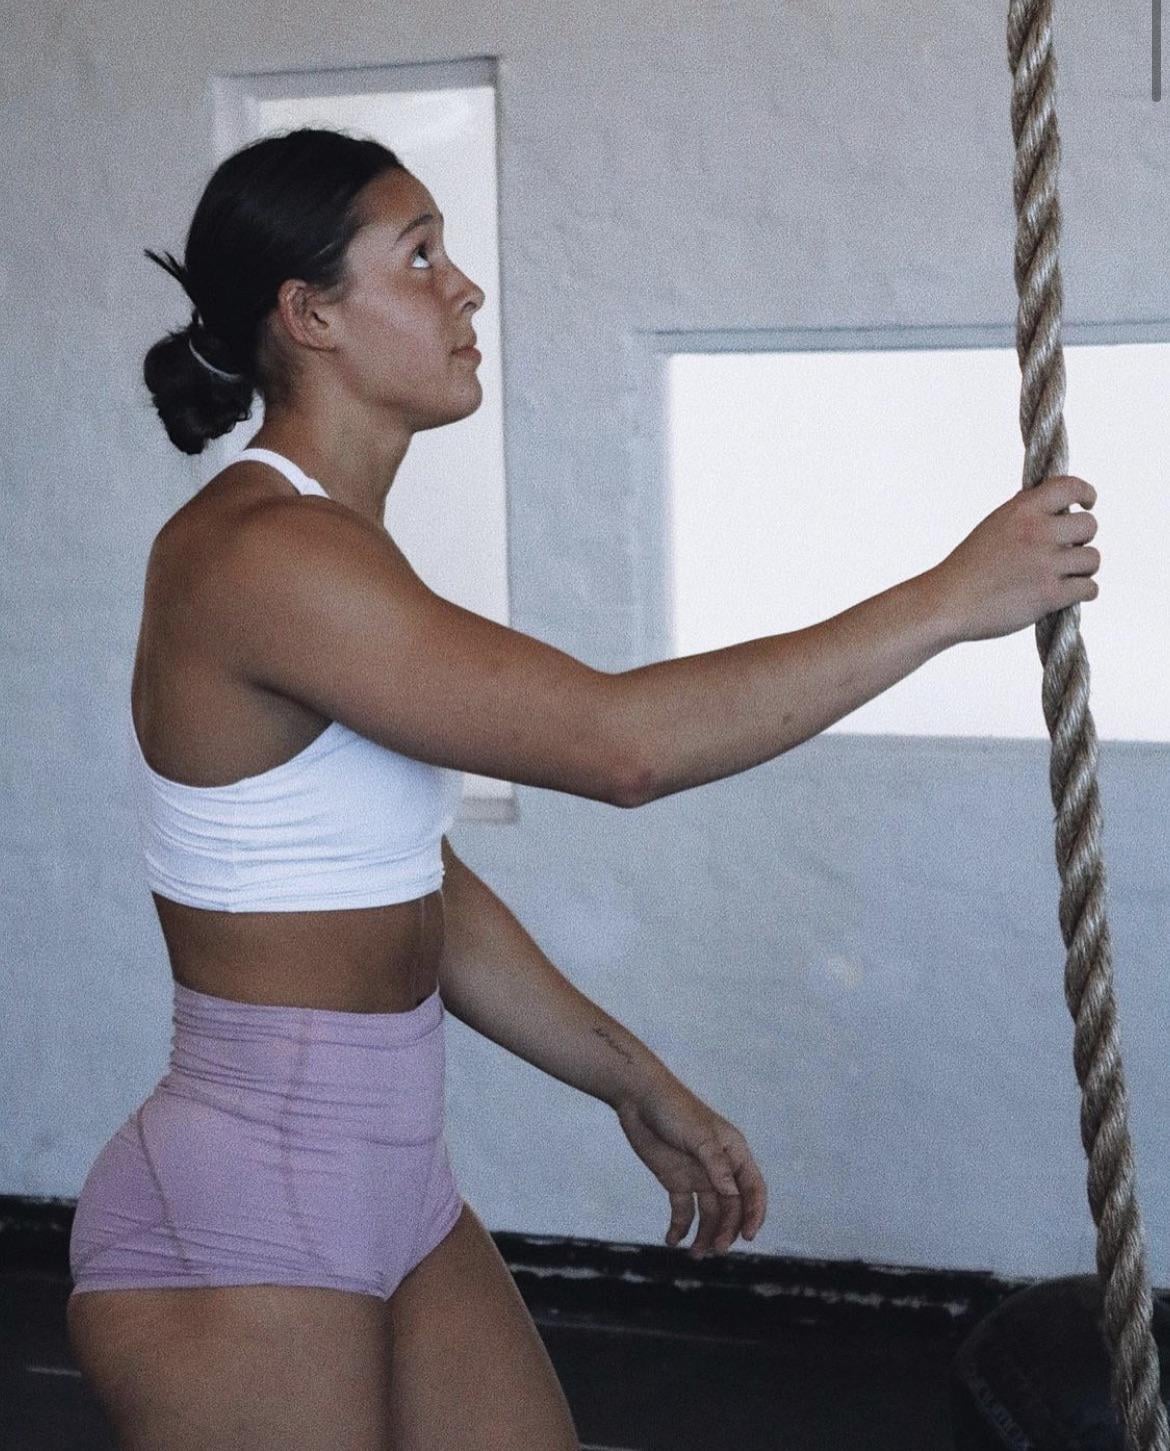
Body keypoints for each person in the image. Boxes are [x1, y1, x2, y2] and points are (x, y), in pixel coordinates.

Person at [64, 125, 1100, 1451]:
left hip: (392, 1182)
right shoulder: (264, 555)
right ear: (310, 314)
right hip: (247, 1204)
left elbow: (411, 886)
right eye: (419, 257)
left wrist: (628, 1078)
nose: (467, 288)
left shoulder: (335, 548)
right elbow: (623, 747)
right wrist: (951, 599)